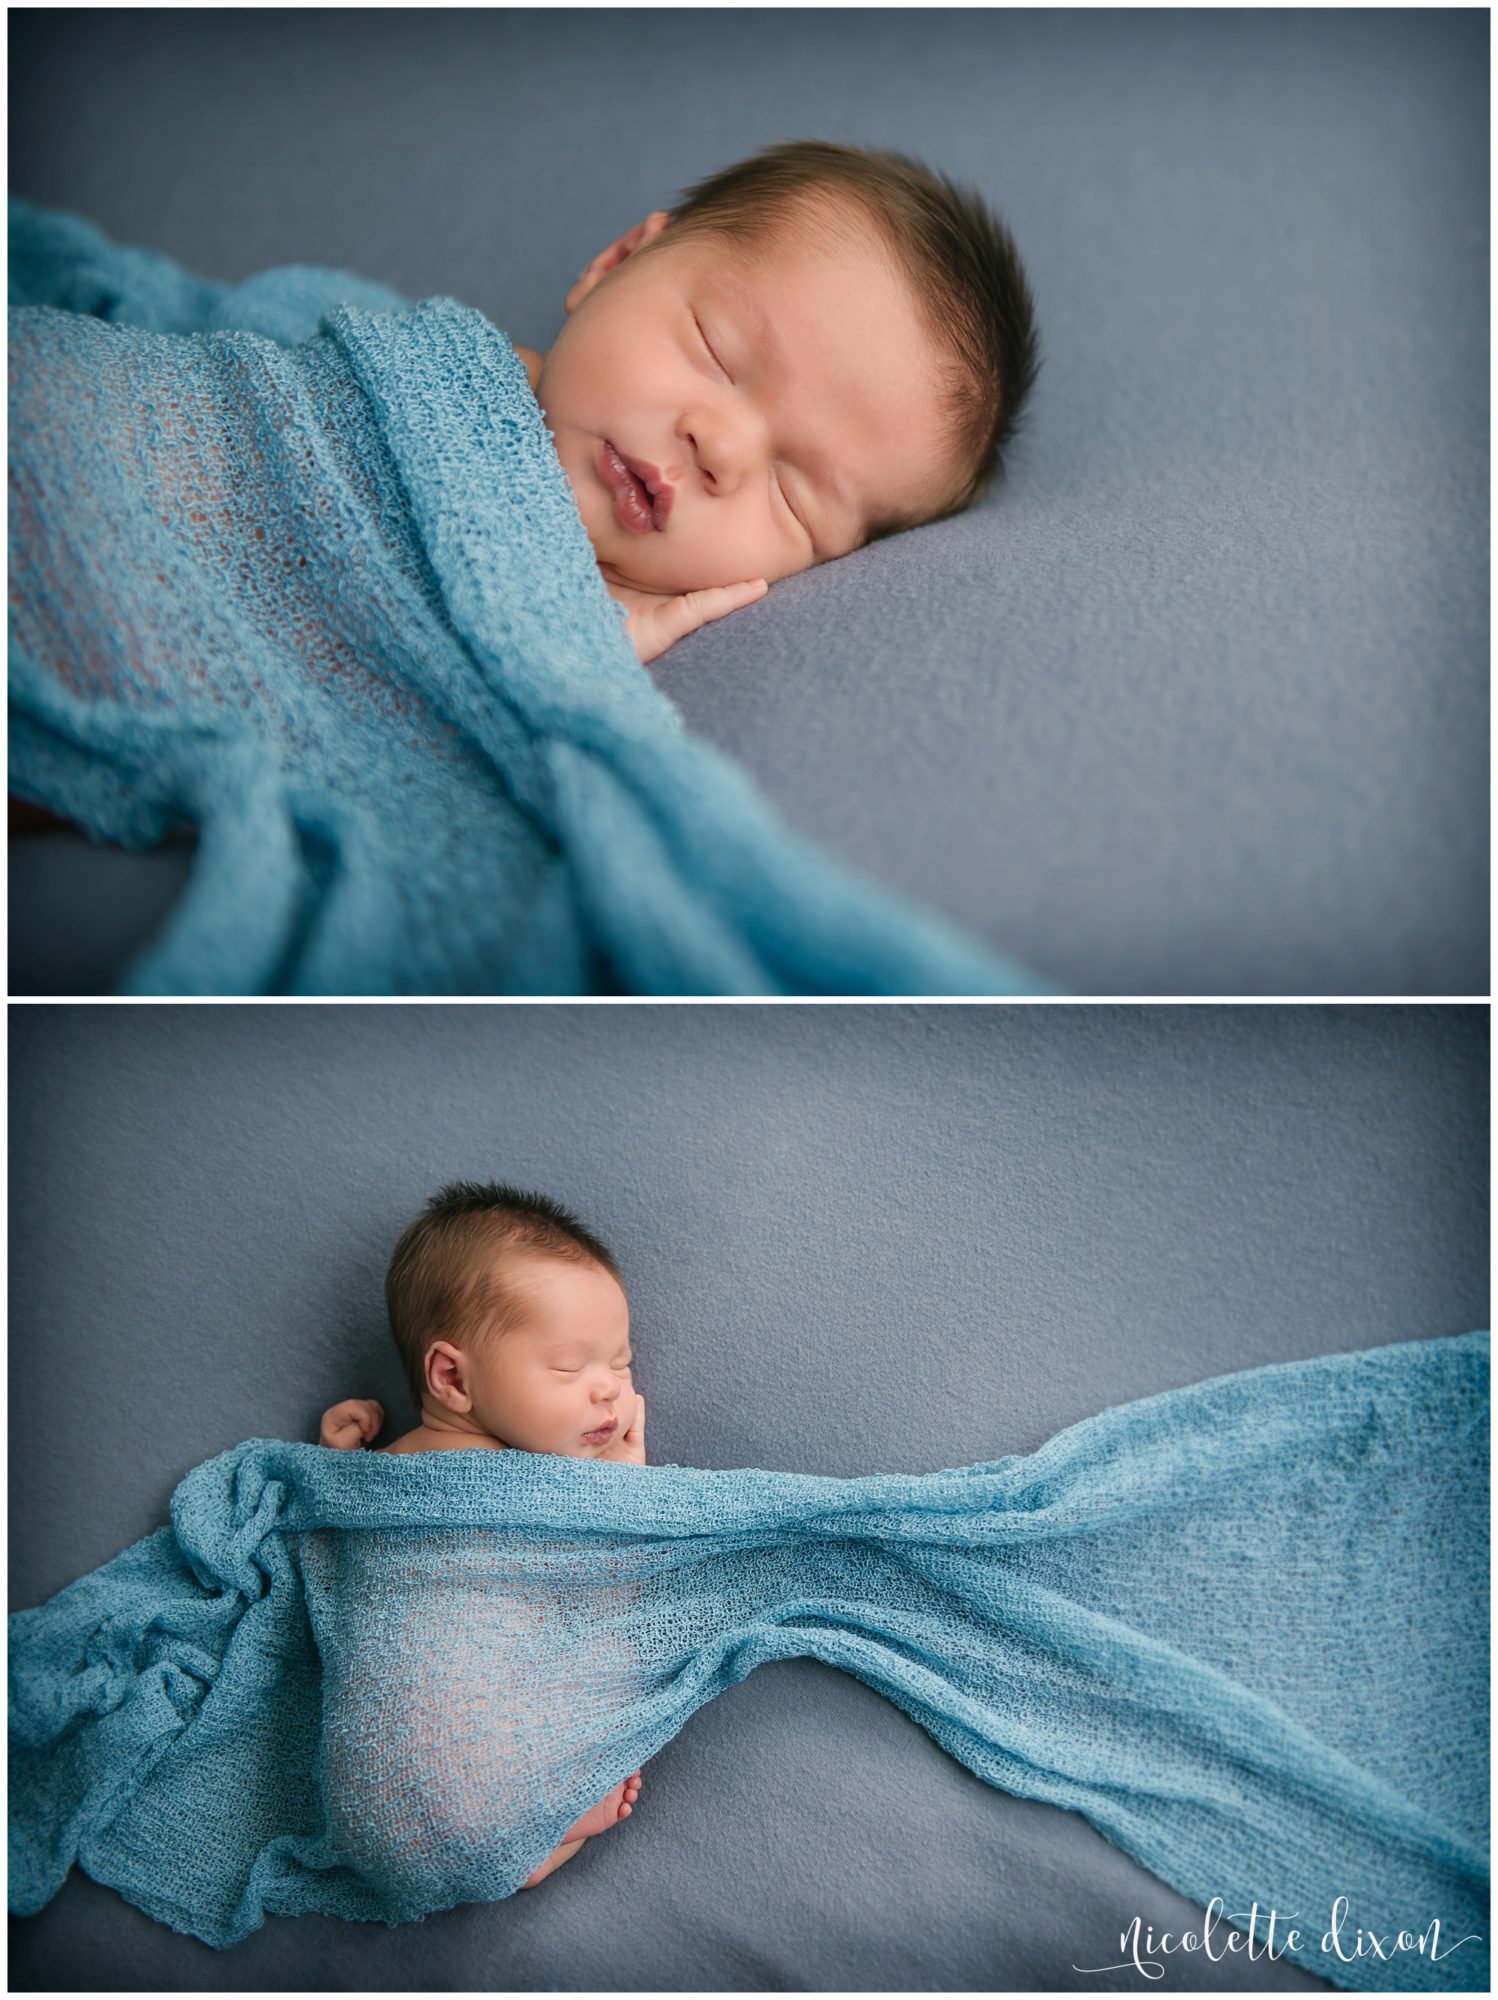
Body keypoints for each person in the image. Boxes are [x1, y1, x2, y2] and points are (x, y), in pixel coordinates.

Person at [509, 136, 1041, 663]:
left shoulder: (591, 658)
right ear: (619, 261)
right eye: (715, 350)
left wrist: (564, 660)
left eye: (791, 497)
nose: (721, 449)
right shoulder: (437, 376)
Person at [318, 1181, 646, 1888]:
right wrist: (626, 1486)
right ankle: (540, 1838)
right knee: (606, 1643)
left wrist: (338, 1457)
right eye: (570, 1366)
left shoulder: (391, 1466)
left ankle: (515, 1849)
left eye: (619, 1364)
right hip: (489, 1777)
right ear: (451, 1377)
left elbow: (329, 1530)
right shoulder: (532, 1488)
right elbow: (601, 1595)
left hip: (367, 1814)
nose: (610, 1390)